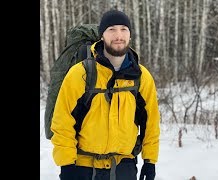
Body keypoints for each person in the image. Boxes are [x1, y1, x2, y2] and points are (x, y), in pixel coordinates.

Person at [50, 9, 160, 180]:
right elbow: (62, 122)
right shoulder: (80, 74)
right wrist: (67, 165)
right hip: (84, 167)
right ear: (102, 35)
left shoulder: (141, 76)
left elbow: (151, 123)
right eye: (112, 29)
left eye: (124, 29)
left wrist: (150, 161)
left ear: (130, 35)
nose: (118, 35)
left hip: (124, 168)